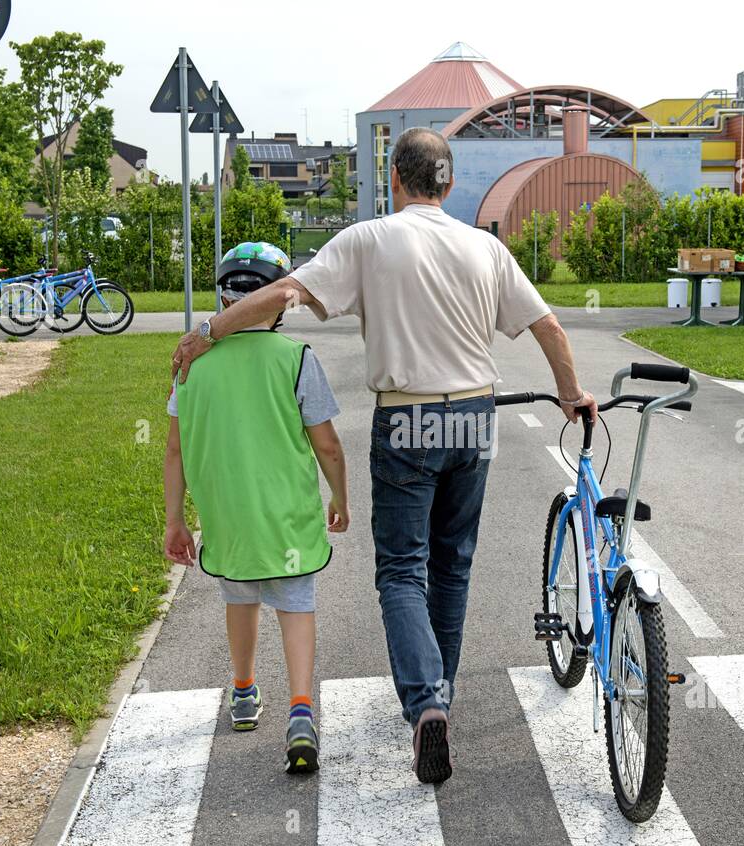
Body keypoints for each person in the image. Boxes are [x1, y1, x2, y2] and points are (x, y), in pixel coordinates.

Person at [170, 127, 597, 785]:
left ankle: (426, 703)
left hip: (407, 416)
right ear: (449, 184)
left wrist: (209, 329)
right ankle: (439, 698)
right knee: (452, 565)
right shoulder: (486, 247)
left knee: (403, 567)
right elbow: (548, 324)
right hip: (474, 415)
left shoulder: (368, 239)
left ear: (396, 181)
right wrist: (570, 391)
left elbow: (285, 293)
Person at [163, 241, 349, 774]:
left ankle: (243, 692)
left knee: (239, 598)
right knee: (295, 604)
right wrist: (341, 496)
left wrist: (175, 519)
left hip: (228, 518)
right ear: (276, 303)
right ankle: (300, 711)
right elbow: (329, 446)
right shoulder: (295, 360)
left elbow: (175, 449)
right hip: (287, 517)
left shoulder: (191, 362)